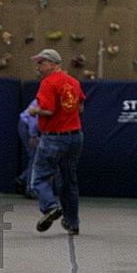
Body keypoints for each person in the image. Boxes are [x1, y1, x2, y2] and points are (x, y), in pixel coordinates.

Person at [29, 49, 85, 235]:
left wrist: (34, 111)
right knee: (69, 181)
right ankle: (72, 222)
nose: (38, 66)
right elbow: (81, 106)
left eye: (41, 63)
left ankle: (50, 206)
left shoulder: (48, 83)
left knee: (39, 177)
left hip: (54, 137)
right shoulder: (74, 82)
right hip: (75, 137)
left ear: (53, 64)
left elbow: (48, 110)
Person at [16, 99, 39, 198]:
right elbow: (33, 118)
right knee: (34, 156)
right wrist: (33, 135)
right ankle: (30, 188)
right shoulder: (46, 98)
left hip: (27, 125)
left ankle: (23, 178)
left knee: (35, 156)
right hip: (27, 125)